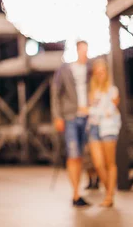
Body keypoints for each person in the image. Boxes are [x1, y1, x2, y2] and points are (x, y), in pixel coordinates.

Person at [50, 40, 92, 207]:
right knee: (73, 154)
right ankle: (75, 194)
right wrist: (57, 116)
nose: (84, 53)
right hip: (71, 116)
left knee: (82, 155)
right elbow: (56, 93)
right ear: (77, 50)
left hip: (88, 116)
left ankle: (80, 189)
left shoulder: (90, 69)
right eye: (82, 50)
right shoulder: (65, 69)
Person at [87, 58, 121, 207]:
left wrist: (94, 110)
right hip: (94, 127)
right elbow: (92, 111)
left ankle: (109, 196)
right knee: (98, 163)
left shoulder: (112, 90)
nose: (100, 75)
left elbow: (110, 111)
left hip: (108, 128)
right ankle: (110, 191)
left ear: (106, 73)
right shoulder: (92, 92)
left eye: (102, 72)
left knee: (110, 163)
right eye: (97, 72)